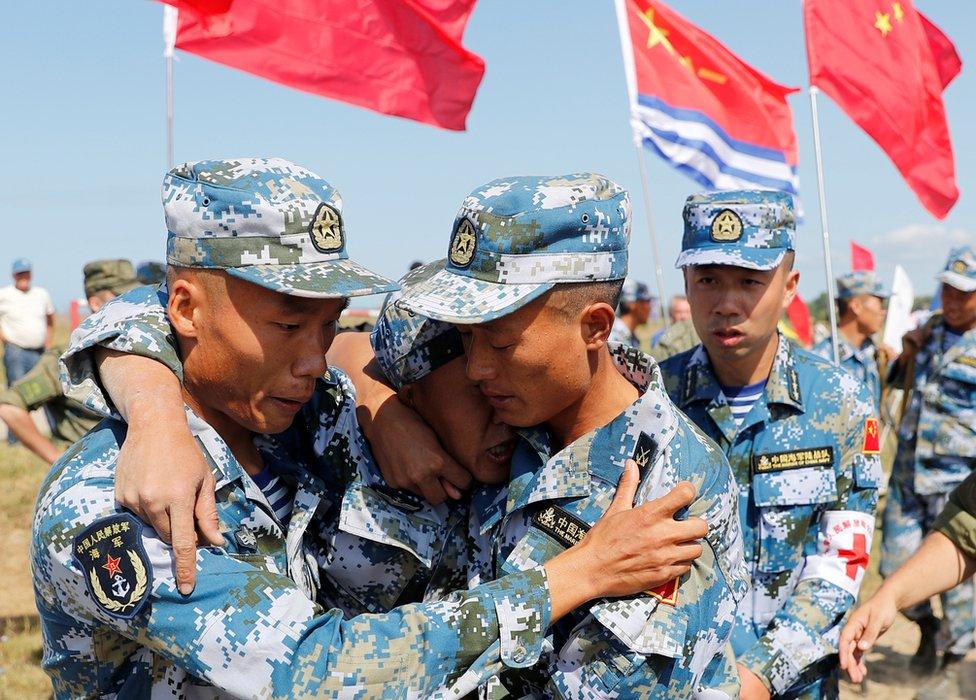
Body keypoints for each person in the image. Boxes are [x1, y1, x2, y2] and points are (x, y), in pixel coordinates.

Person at [35, 158, 704, 698]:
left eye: (325, 325)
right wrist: (577, 574)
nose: (311, 359)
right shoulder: (117, 503)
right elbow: (318, 671)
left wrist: (378, 402)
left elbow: (359, 351)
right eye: (289, 326)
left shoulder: (295, 414)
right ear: (185, 308)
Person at [391, 172, 747, 697]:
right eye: (465, 340)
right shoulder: (511, 422)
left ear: (595, 328)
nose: (475, 370)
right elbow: (368, 350)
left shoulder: (671, 486)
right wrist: (382, 409)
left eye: (501, 344)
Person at [656, 190, 883, 699]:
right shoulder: (650, 401)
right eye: (708, 279)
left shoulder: (840, 402)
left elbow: (840, 562)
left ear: (789, 288)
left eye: (750, 281)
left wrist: (758, 676)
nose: (727, 303)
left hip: (792, 683)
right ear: (687, 286)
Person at [874, 245, 976, 693]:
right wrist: (902, 355)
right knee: (893, 567)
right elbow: (898, 384)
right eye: (947, 290)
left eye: (963, 293)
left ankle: (957, 656)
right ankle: (926, 628)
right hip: (908, 473)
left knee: (957, 581)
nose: (952, 301)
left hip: (958, 480)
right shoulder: (930, 330)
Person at [0, 259, 139, 464]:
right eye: (121, 298)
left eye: (134, 298)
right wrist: (59, 461)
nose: (133, 307)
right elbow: (10, 407)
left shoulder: (141, 350)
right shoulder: (68, 359)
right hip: (92, 475)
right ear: (95, 304)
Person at [811, 270, 892, 408]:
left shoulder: (873, 352)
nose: (883, 311)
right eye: (880, 303)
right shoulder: (823, 359)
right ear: (856, 306)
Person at [0, 258, 54, 385]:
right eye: (20, 274)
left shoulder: (41, 294)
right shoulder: (4, 295)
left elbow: (50, 320)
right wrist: (3, 337)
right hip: (15, 351)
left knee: (41, 389)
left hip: (40, 352)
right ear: (14, 275)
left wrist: (48, 343)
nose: (23, 277)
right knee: (18, 388)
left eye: (26, 273)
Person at [609, 277, 653, 348]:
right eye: (646, 301)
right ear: (632, 304)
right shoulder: (613, 337)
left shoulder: (632, 338)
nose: (650, 307)